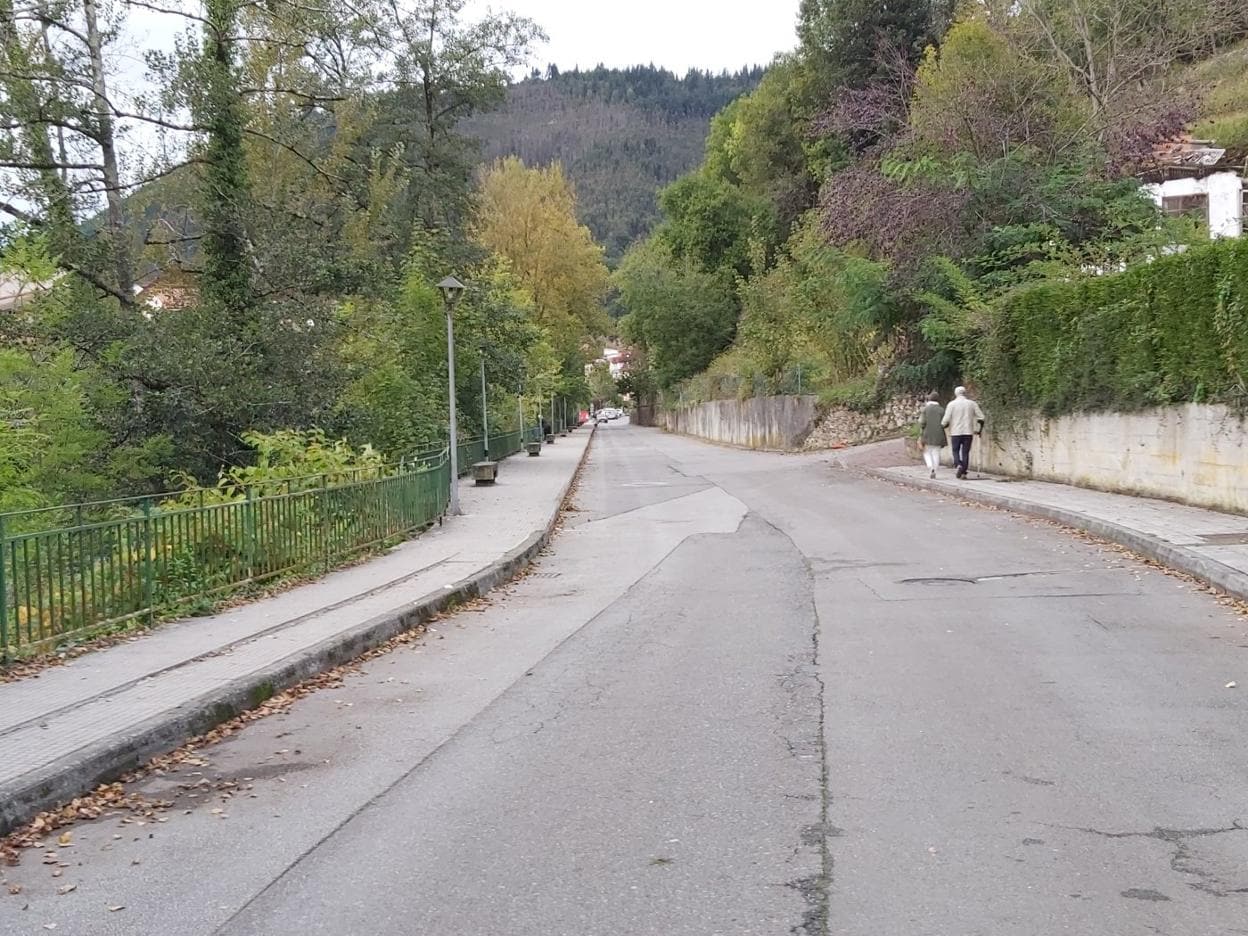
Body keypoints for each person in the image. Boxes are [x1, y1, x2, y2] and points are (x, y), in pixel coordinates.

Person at [941, 386, 986, 479]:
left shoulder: (951, 404)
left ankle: (958, 465)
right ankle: (964, 472)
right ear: (965, 393)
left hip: (955, 432)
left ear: (955, 393)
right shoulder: (972, 404)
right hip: (968, 432)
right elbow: (981, 417)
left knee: (955, 450)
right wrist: (979, 428)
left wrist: (943, 425)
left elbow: (946, 419)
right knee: (965, 452)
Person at [918, 392, 946, 479]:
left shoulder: (926, 409)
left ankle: (930, 467)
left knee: (926, 452)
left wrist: (921, 431)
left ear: (929, 399)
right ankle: (935, 469)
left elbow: (922, 422)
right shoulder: (941, 410)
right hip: (939, 434)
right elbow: (945, 422)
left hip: (927, 433)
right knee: (936, 453)